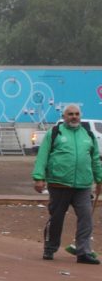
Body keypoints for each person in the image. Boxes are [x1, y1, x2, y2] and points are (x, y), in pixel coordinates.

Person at [32, 104, 102, 264]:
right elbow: (42, 156)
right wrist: (38, 177)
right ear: (64, 117)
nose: (74, 117)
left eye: (77, 114)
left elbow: (95, 159)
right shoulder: (55, 133)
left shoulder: (88, 135)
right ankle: (50, 248)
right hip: (59, 184)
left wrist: (99, 179)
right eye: (70, 114)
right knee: (56, 218)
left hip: (83, 185)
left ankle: (83, 251)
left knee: (86, 218)